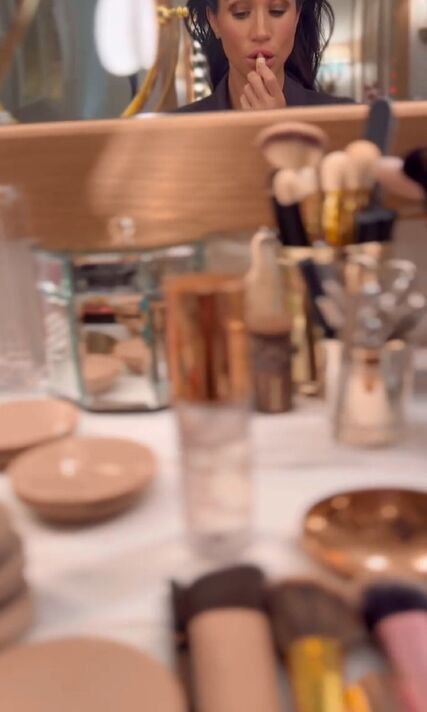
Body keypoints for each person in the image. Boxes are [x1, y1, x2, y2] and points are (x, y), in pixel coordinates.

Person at [177, 0, 351, 112]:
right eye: (241, 13)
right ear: (214, 21)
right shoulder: (178, 127)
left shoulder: (343, 116)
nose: (261, 32)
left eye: (277, 11)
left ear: (296, 17)